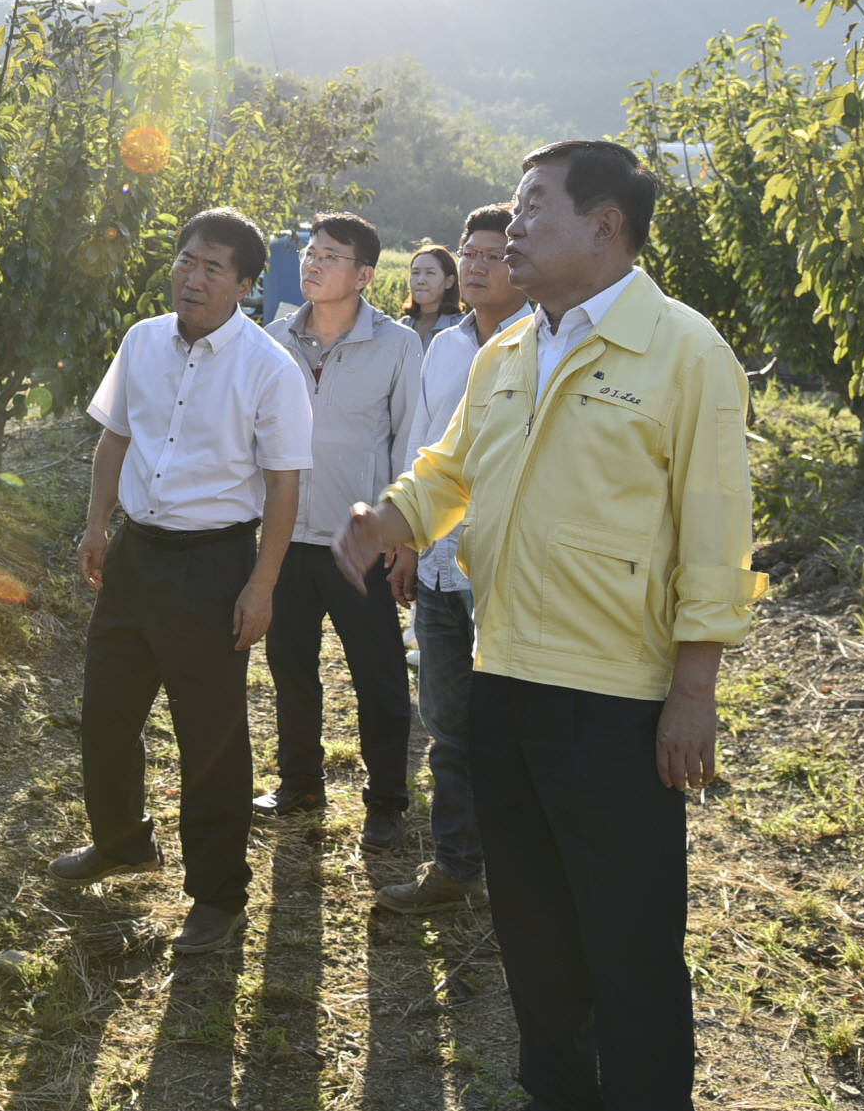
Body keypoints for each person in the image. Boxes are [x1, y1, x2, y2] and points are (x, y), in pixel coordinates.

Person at [335, 139, 757, 1109]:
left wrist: (694, 688)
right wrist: (390, 517)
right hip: (506, 679)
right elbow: (450, 469)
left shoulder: (684, 350)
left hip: (616, 698)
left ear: (605, 226)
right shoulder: (509, 350)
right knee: (532, 927)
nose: (511, 226)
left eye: (533, 208)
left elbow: (716, 533)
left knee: (629, 939)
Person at [48, 208, 314, 959]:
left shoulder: (269, 368)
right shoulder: (142, 341)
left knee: (210, 739)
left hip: (212, 565)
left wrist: (261, 584)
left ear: (247, 284)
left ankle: (218, 894)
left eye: (212, 268)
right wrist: (97, 525)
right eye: (185, 261)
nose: (192, 278)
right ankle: (122, 841)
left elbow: (284, 484)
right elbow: (116, 436)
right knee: (105, 712)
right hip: (136, 555)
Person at [376, 203, 530, 914]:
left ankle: (521, 877)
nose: (475, 266)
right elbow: (424, 447)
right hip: (440, 568)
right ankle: (457, 863)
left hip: (506, 572)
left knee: (513, 731)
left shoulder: (545, 344)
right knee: (446, 727)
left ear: (522, 262)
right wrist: (407, 539)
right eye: (469, 252)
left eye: (493, 255)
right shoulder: (444, 345)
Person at [258, 213, 426, 850]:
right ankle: (300, 781)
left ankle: (386, 799)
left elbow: (412, 443)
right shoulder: (274, 337)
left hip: (359, 542)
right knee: (289, 666)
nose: (313, 263)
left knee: (378, 675)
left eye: (331, 255)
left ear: (364, 275)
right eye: (311, 252)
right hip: (285, 537)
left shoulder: (398, 345)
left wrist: (403, 536)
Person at [399, 242, 463, 348]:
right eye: (415, 273)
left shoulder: (463, 328)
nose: (420, 280)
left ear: (449, 281)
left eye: (430, 273)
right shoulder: (400, 327)